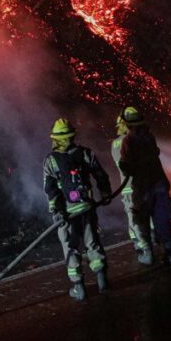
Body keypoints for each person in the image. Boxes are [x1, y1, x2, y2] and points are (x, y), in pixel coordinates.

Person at [43, 118, 112, 301]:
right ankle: (102, 280)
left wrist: (56, 212)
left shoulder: (51, 161)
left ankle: (78, 287)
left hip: (67, 214)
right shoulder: (85, 153)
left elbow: (51, 191)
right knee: (92, 243)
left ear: (56, 138)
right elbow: (100, 175)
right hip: (87, 208)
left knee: (70, 247)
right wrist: (105, 193)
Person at [116, 107, 171, 267]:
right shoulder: (149, 137)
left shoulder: (127, 141)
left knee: (140, 220)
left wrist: (128, 167)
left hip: (143, 188)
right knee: (162, 220)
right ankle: (170, 254)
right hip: (160, 184)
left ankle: (148, 254)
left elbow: (125, 165)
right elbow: (155, 154)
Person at [112, 114, 154, 266]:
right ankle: (150, 242)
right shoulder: (138, 139)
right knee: (145, 216)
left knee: (135, 219)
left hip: (130, 188)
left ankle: (143, 247)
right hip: (143, 184)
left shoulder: (119, 142)